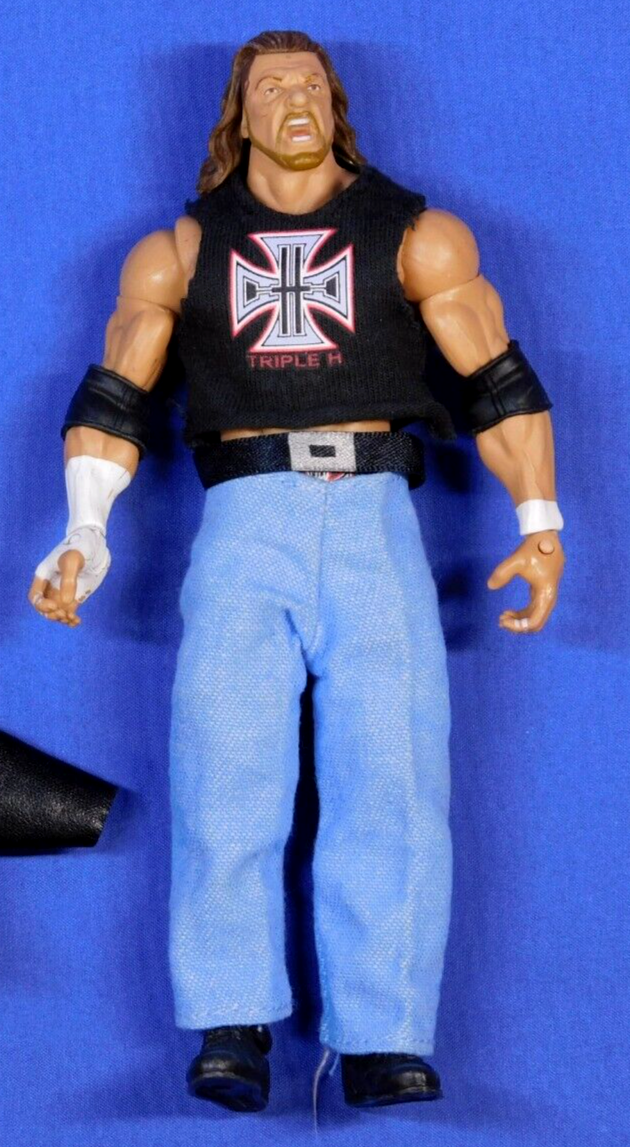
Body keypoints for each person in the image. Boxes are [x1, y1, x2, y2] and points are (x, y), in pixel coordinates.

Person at [28, 29, 564, 1112]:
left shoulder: (414, 237)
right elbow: (114, 396)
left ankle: (385, 1029)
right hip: (244, 519)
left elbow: (497, 381)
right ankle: (229, 1020)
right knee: (223, 767)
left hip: (374, 516)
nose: (293, 99)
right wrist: (85, 528)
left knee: (394, 775)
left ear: (337, 102)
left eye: (309, 83)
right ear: (237, 113)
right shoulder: (178, 252)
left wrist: (540, 517)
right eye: (269, 86)